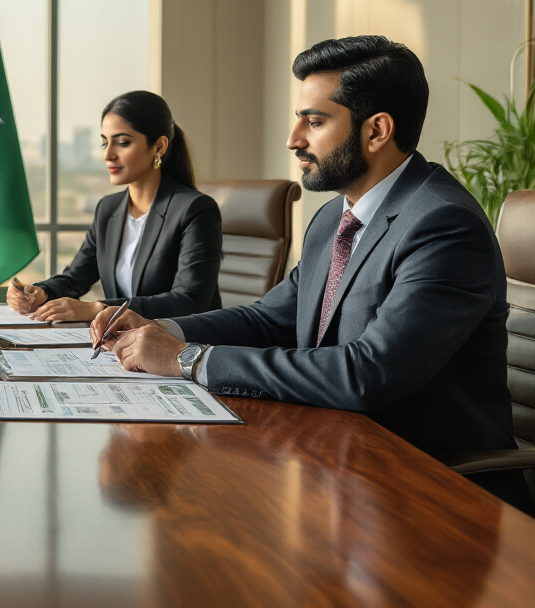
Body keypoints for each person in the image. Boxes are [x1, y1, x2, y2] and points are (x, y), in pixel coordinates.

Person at [91, 36, 531, 512]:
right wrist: (160, 328)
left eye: (314, 121)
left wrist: (188, 358)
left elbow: (368, 374)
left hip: (429, 491)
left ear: (377, 130)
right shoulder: (333, 219)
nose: (294, 139)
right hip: (336, 466)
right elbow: (270, 319)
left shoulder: (443, 224)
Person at [7, 91, 222, 322]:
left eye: (122, 143)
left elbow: (189, 300)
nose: (108, 155)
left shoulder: (195, 210)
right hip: (120, 340)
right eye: (105, 142)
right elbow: (76, 277)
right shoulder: (108, 209)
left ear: (159, 147)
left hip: (180, 339)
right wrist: (42, 292)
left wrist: (99, 309)